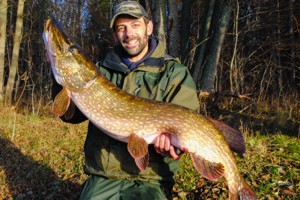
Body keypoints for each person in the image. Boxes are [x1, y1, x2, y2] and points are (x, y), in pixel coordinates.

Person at [52, 1, 200, 199]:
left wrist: (174, 144)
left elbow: (188, 125)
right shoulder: (99, 71)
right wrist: (58, 78)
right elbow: (69, 116)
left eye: (135, 25)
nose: (129, 34)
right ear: (115, 34)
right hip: (104, 176)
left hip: (152, 179)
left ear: (149, 27)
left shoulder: (174, 73)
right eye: (121, 28)